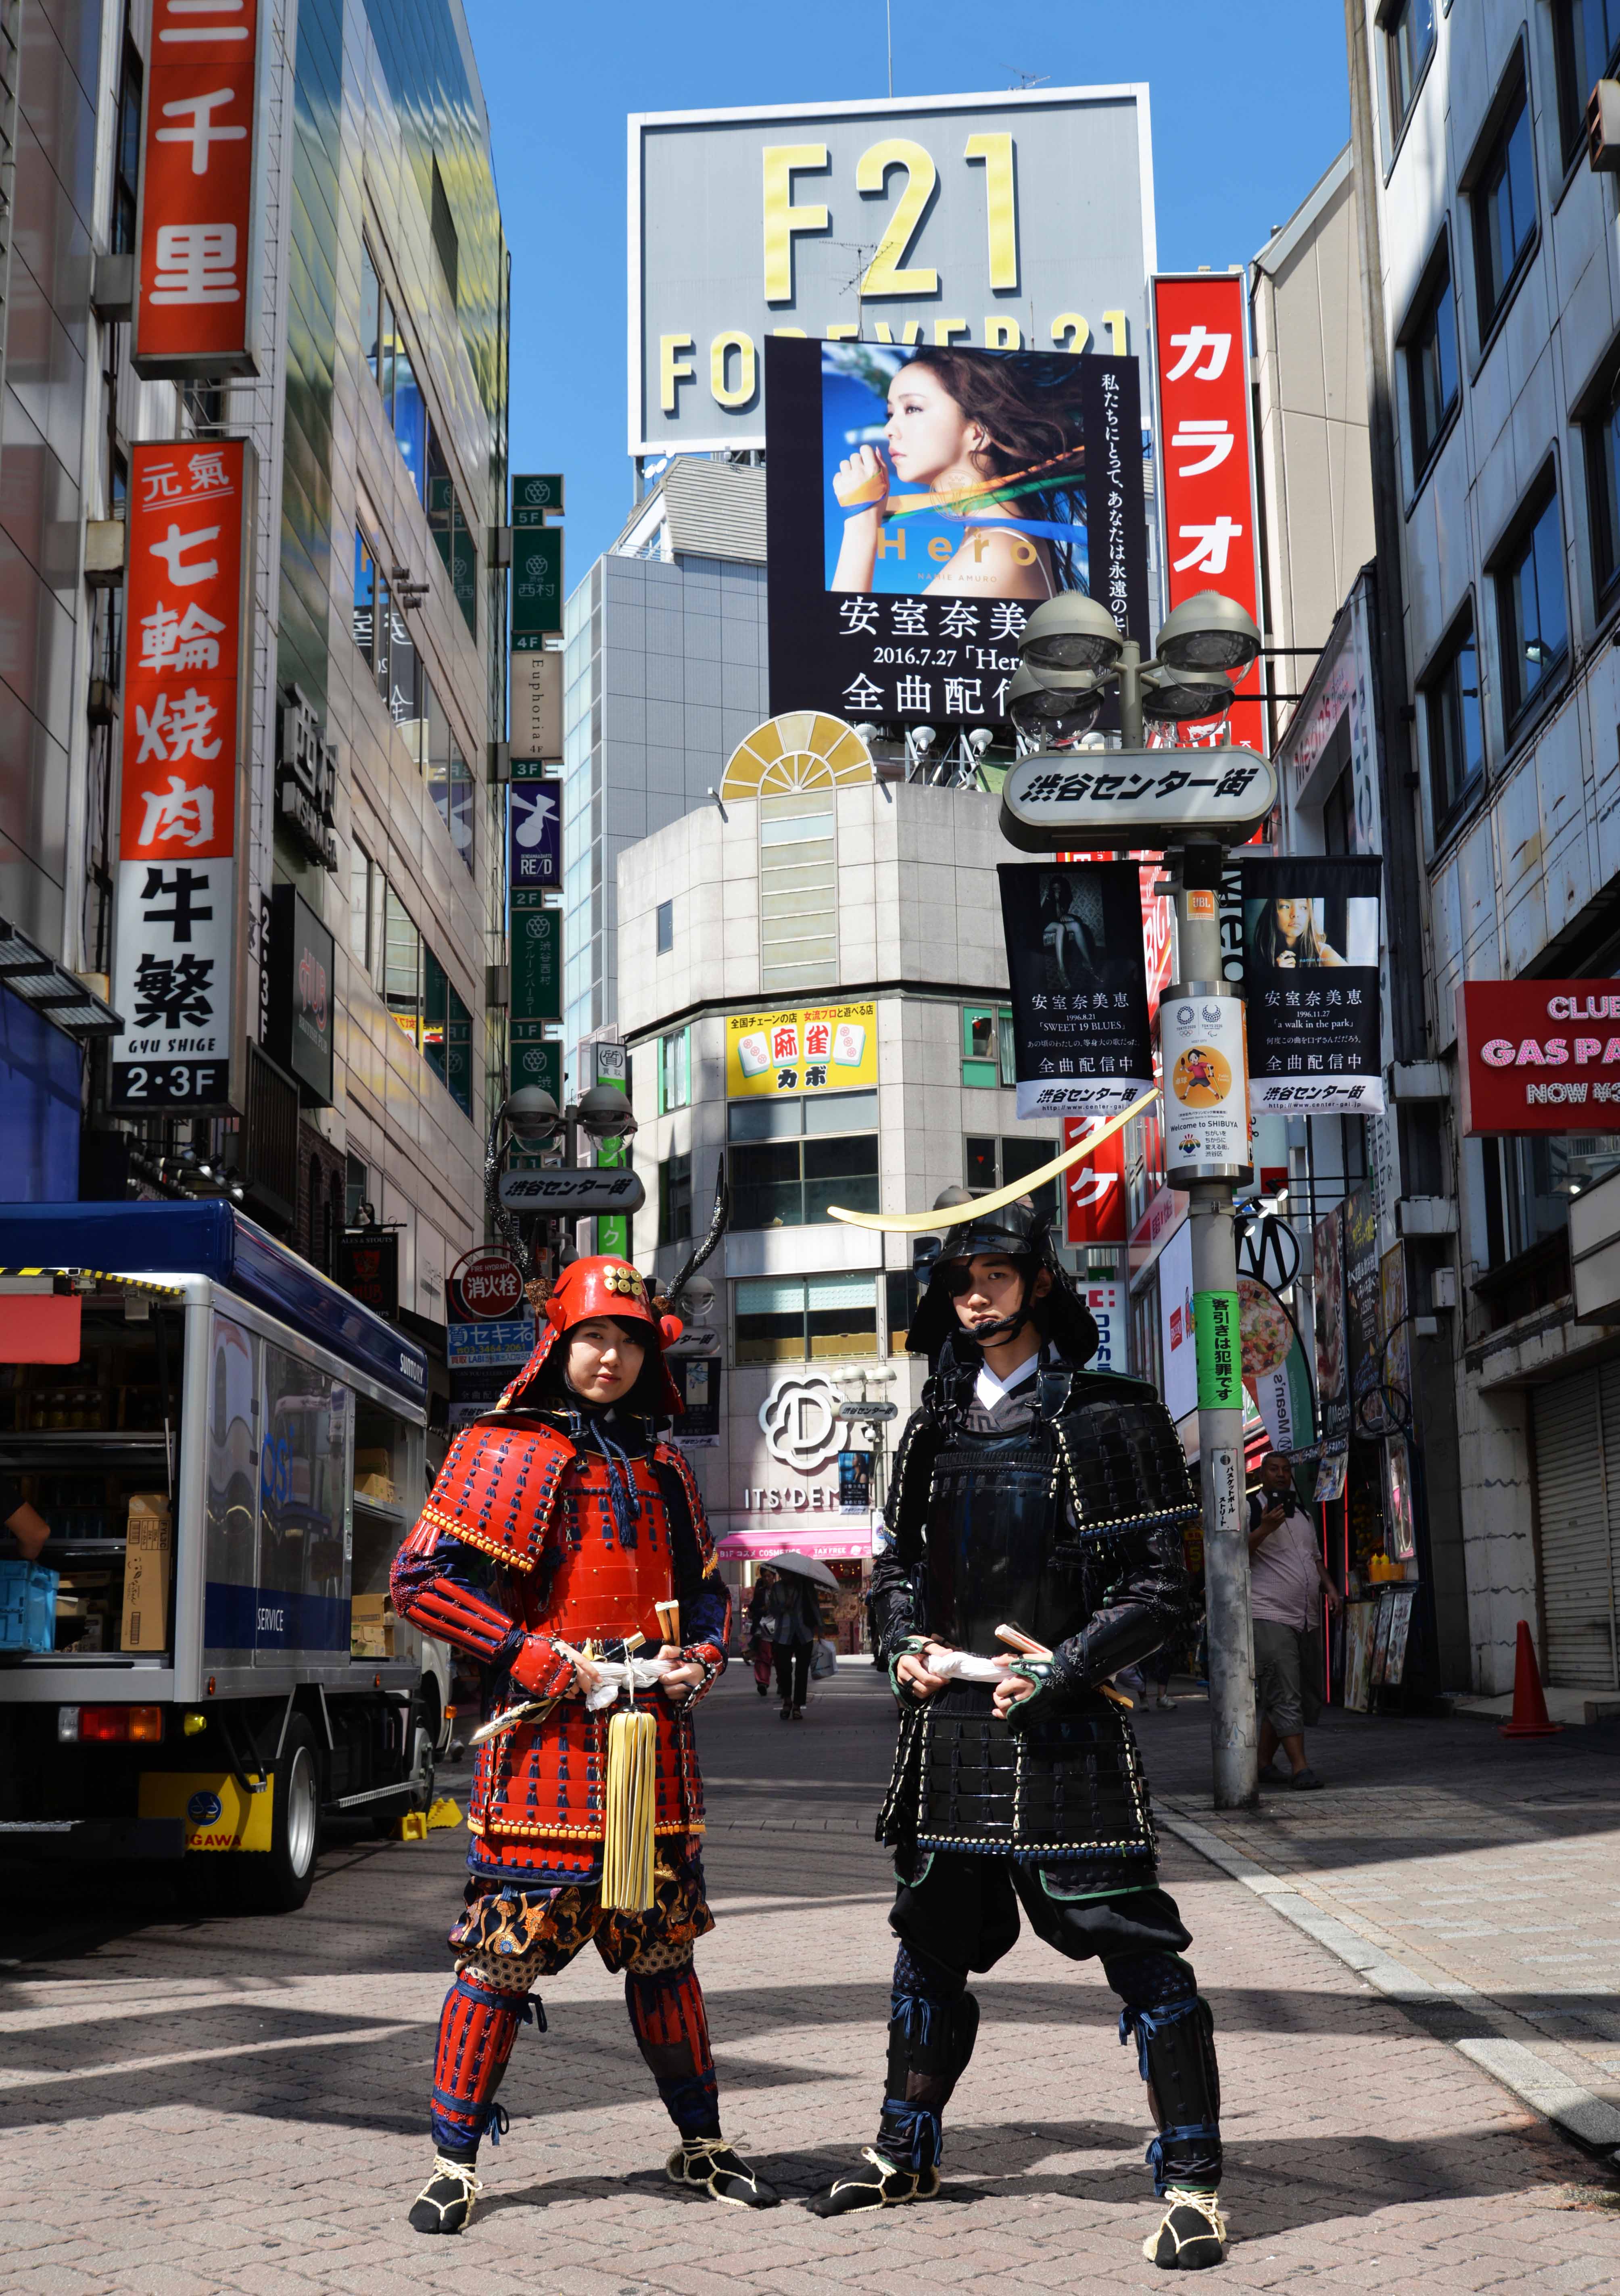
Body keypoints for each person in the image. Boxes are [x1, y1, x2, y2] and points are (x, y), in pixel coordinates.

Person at [812, 1202, 1228, 2271]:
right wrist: (899, 1639)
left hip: (1070, 1731)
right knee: (929, 1944)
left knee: (1138, 1951)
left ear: (1040, 1282)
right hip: (951, 1728)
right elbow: (898, 1564)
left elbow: (1160, 1589)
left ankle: (1193, 2184)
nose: (977, 1294)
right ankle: (904, 2145)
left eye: (997, 1272)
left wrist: (1065, 1665)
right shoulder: (932, 1425)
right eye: (960, 1279)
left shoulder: (1110, 1414)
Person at [391, 1256, 777, 2233]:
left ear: (650, 1355)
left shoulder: (664, 1464)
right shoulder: (498, 1447)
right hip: (545, 1754)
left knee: (663, 1955)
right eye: (593, 1338)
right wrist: (531, 1657)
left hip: (653, 1738)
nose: (609, 1357)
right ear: (557, 1343)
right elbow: (420, 1582)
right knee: (499, 1962)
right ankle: (453, 2164)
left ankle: (701, 2143)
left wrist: (704, 1654)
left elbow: (703, 1590)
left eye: (629, 1340)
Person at [831, 347, 1084, 599]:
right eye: (891, 413)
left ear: (978, 433)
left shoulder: (997, 550)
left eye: (913, 409)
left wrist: (861, 522)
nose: (889, 429)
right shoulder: (993, 539)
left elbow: (842, 636)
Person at [1248, 1451, 1340, 1791]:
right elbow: (1232, 1555)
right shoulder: (1251, 1510)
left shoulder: (1302, 1514)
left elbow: (1313, 1559)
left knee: (1295, 1689)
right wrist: (1265, 1529)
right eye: (1274, 1469)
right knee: (1285, 1689)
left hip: (1306, 1617)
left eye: (1286, 1470)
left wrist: (1331, 1589)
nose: (1282, 1475)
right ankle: (1301, 1768)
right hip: (1269, 1613)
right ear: (1262, 1474)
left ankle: (1262, 1763)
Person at [770, 1567, 818, 1721]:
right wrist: (785, 1606)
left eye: (786, 1573)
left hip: (804, 1634)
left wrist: (820, 1629)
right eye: (781, 1573)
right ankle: (787, 1701)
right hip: (782, 1635)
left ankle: (797, 1706)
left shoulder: (806, 1586)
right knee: (784, 1670)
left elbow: (814, 1607)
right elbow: (772, 1610)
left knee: (802, 1672)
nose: (784, 1576)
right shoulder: (776, 1588)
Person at [1250, 895, 1344, 970]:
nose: (1295, 914)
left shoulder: (1323, 953)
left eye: (1303, 907)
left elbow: (1353, 981)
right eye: (1286, 906)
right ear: (1273, 913)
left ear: (1309, 916)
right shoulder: (1257, 953)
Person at [745, 1566, 779, 1696]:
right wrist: (763, 1609)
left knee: (780, 1658)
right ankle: (762, 1682)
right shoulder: (760, 1592)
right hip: (764, 1630)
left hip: (779, 1629)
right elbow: (754, 1609)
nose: (767, 1579)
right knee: (764, 1657)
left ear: (774, 1577)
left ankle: (782, 1683)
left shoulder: (779, 1590)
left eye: (769, 1576)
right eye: (765, 1576)